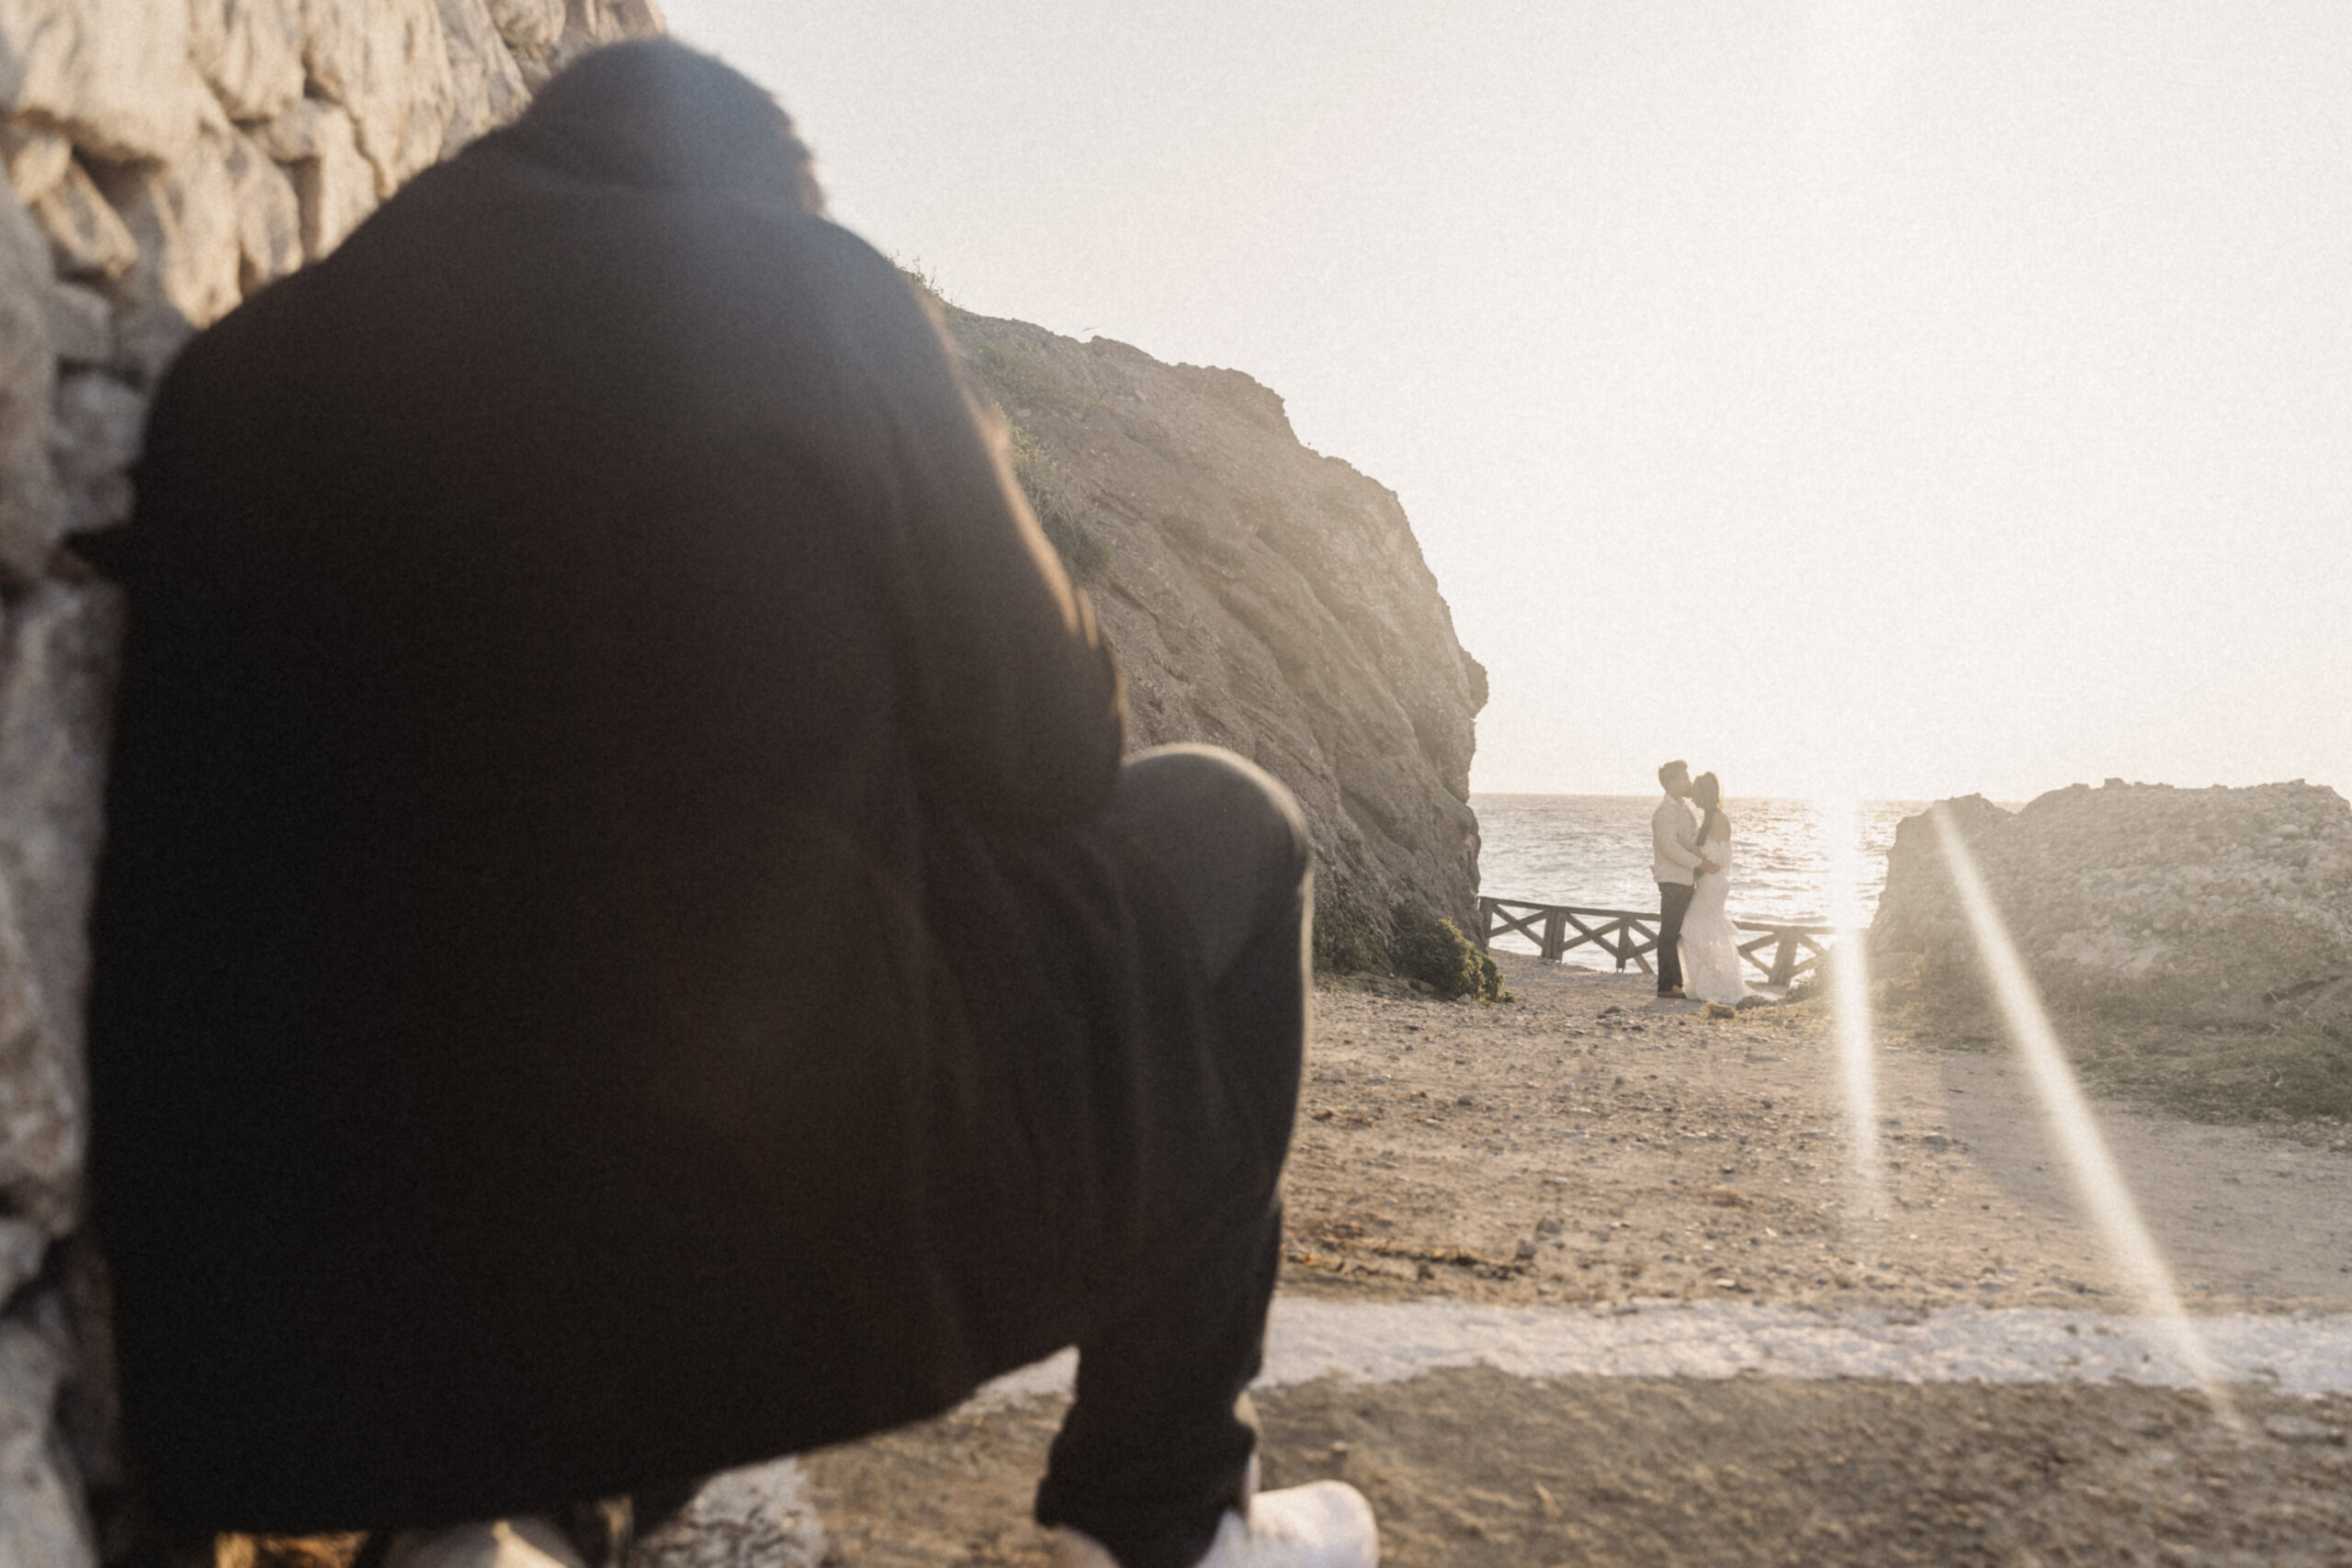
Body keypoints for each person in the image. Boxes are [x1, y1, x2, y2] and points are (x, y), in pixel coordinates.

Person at [81, 40, 1374, 1568]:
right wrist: (961, 450)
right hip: (746, 1256)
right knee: (1233, 824)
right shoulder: (809, 290)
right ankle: (1168, 1510)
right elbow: (1053, 756)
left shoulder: (236, 373)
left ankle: (485, 1520)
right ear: (760, 196)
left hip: (264, 1355)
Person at [1676, 773, 1749, 1007]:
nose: (1693, 796)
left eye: (1697, 792)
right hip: (1711, 883)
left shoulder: (1717, 818)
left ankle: (1714, 984)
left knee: (1694, 928)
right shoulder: (1710, 817)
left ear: (1704, 794)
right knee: (1704, 931)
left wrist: (1685, 845)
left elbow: (1717, 859)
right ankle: (1711, 982)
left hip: (1713, 883)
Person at [1648, 759, 1711, 998]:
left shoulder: (1682, 808)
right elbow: (1669, 848)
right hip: (1672, 879)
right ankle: (1666, 985)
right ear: (1672, 782)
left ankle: (1677, 982)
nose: (1688, 781)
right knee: (1669, 931)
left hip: (1684, 878)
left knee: (1678, 930)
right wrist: (1700, 864)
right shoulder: (1664, 812)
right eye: (1684, 778)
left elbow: (1691, 838)